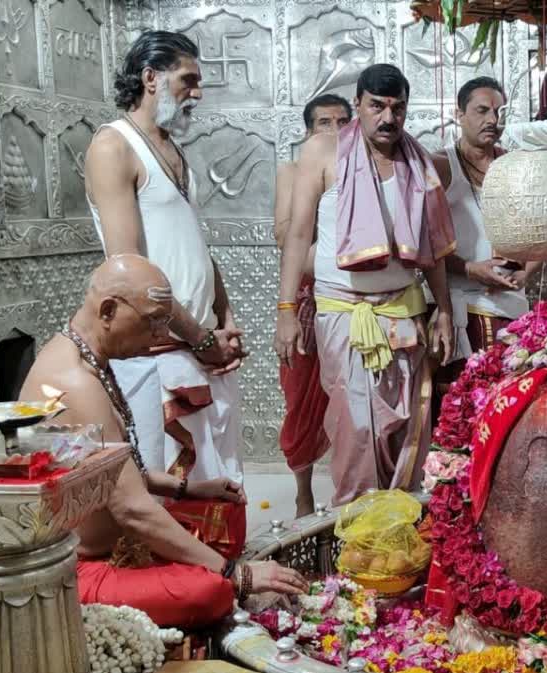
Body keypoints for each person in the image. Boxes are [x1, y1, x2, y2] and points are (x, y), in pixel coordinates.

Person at [19, 256, 308, 628]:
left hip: (120, 543)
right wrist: (238, 574)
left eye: (164, 322)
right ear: (108, 310)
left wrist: (190, 488)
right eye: (153, 321)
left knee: (226, 509)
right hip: (81, 568)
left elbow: (111, 477)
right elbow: (132, 510)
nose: (160, 334)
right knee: (210, 591)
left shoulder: (91, 358)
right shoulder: (76, 383)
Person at [84, 31, 247, 531]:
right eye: (188, 80)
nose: (197, 92)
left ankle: (224, 590)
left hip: (199, 350)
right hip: (158, 357)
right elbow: (130, 272)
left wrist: (226, 317)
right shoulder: (114, 146)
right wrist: (198, 337)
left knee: (220, 481)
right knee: (176, 496)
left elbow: (194, 244)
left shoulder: (173, 149)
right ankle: (184, 603)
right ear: (150, 78)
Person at [275, 64, 456, 506]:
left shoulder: (420, 163)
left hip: (405, 312)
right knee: (356, 429)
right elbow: (298, 234)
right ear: (358, 105)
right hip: (343, 313)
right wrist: (285, 312)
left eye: (397, 108)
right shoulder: (323, 151)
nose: (387, 118)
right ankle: (358, 535)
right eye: (377, 106)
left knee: (407, 430)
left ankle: (403, 533)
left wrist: (445, 311)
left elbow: (431, 247)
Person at [428, 76, 542, 393]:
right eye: (482, 111)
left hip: (512, 308)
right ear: (458, 113)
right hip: (462, 309)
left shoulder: (517, 167)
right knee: (460, 409)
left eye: (499, 112)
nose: (492, 120)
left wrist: (525, 272)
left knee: (509, 407)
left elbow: (543, 232)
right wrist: (468, 268)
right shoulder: (439, 166)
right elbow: (423, 242)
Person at [274, 94, 352, 517]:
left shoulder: (360, 164)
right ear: (308, 131)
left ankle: (349, 492)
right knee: (301, 396)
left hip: (353, 297)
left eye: (342, 122)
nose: (334, 131)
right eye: (324, 122)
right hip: (306, 297)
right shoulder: (293, 171)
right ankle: (304, 493)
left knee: (349, 399)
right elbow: (284, 235)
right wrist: (337, 253)